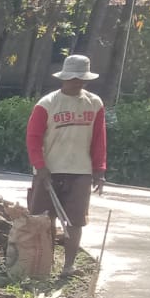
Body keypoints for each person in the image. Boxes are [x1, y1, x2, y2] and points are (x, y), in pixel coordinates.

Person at [27, 54, 108, 279]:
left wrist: (99, 169)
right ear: (64, 78)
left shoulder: (95, 103)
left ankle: (68, 266)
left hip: (81, 171)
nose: (77, 82)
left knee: (75, 221)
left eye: (81, 78)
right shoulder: (47, 104)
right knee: (44, 219)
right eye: (73, 78)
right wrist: (40, 166)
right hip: (49, 170)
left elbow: (99, 139)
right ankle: (44, 264)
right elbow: (33, 138)